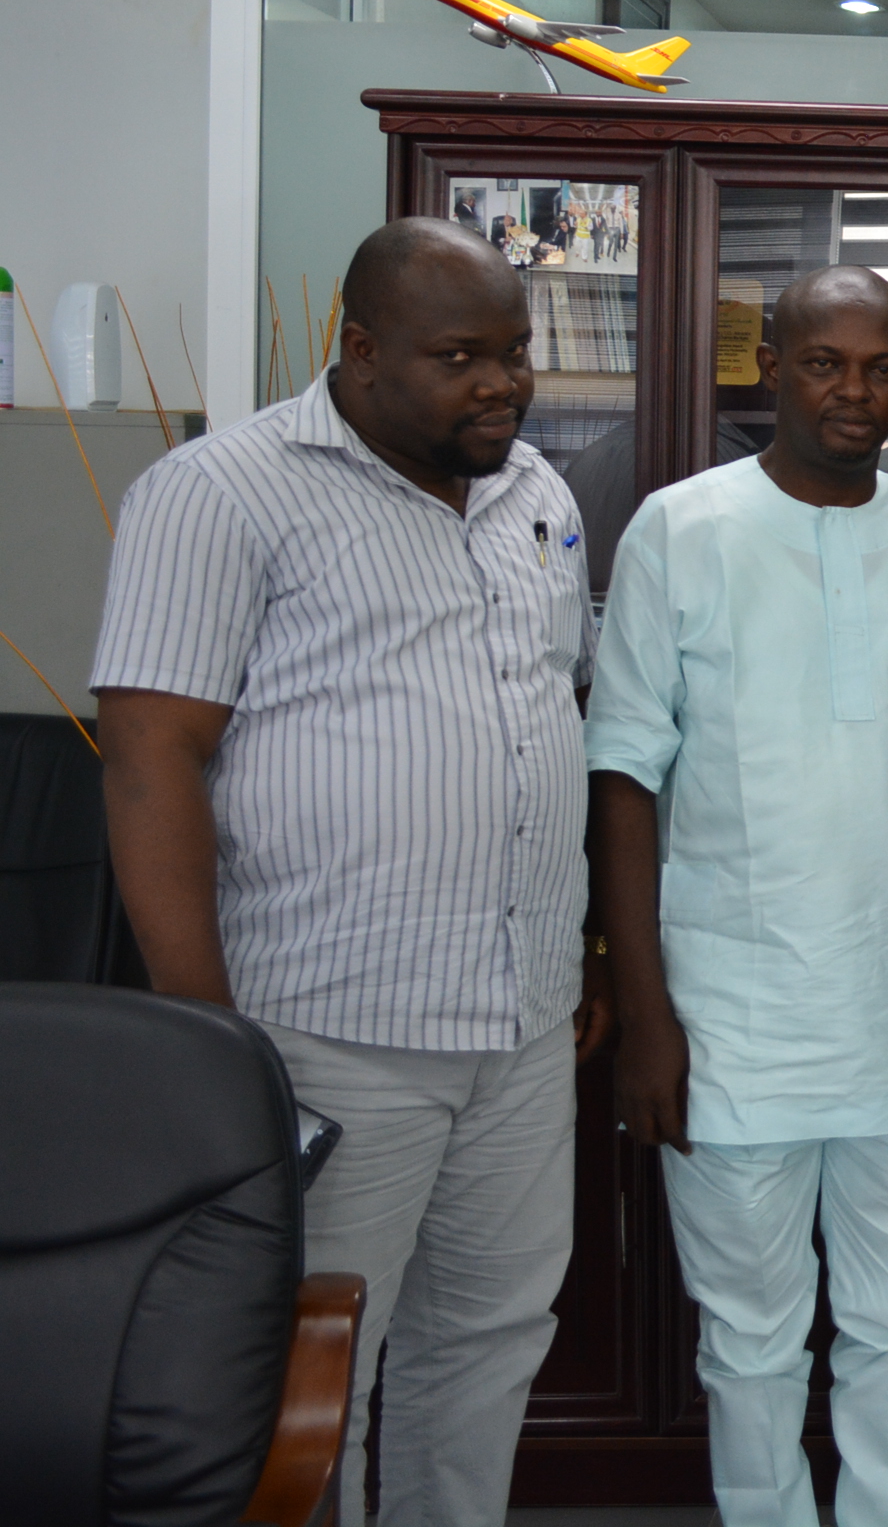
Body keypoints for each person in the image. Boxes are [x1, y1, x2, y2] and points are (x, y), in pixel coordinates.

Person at [91, 216, 607, 1527]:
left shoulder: (536, 493)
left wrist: (581, 948)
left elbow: (553, 714)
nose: (501, 383)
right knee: (318, 1365)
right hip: (328, 1033)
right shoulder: (220, 493)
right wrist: (209, 1039)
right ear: (360, 350)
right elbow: (152, 760)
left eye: (515, 354)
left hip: (523, 1028)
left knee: (489, 1344)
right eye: (459, 357)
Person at [585, 267, 888, 1527]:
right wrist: (646, 1014)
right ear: (771, 369)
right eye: (823, 362)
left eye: (878, 368)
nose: (851, 391)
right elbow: (624, 775)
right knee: (749, 1335)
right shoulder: (678, 528)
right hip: (727, 1016)